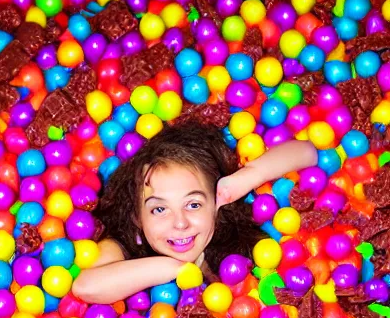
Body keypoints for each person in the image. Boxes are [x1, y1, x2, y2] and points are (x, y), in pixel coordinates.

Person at [72, 123, 319, 304]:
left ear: (215, 203)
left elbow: (308, 151)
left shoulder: (234, 238)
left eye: (193, 205)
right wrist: (174, 268)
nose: (180, 223)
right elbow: (85, 286)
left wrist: (249, 175)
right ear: (137, 215)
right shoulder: (124, 245)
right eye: (159, 209)